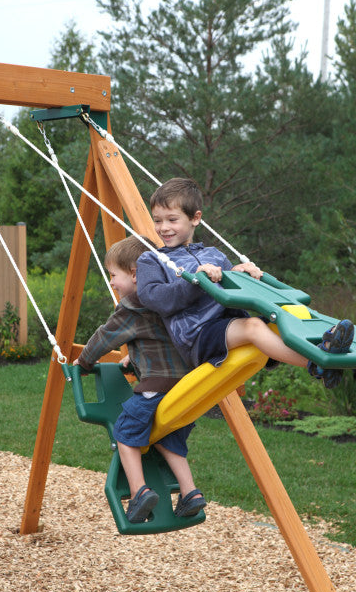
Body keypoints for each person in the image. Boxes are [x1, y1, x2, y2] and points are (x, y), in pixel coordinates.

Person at [136, 177, 354, 390]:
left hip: (229, 323)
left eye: (172, 219)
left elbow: (234, 288)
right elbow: (153, 297)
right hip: (198, 336)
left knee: (283, 318)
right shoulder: (152, 260)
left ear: (195, 218)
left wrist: (243, 275)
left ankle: (328, 348)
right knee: (254, 326)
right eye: (157, 220)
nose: (163, 227)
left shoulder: (214, 255)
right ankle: (316, 363)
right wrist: (195, 281)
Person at [73, 235, 206, 524]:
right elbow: (163, 341)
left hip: (155, 389)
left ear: (135, 274)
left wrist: (84, 362)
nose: (112, 283)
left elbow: (105, 336)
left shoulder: (133, 306)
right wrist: (135, 359)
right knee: (168, 438)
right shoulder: (169, 302)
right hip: (186, 389)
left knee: (126, 433)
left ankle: (139, 492)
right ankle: (190, 492)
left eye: (114, 275)